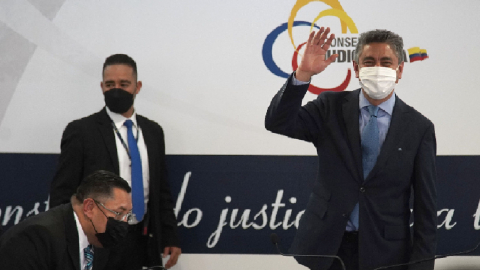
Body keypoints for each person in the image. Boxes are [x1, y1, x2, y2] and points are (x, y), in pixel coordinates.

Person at [265, 27, 437, 270]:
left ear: (399, 70)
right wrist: (303, 74)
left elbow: (425, 207)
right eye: (369, 61)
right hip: (327, 247)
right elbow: (277, 122)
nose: (377, 68)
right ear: (356, 68)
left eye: (386, 62)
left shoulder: (419, 128)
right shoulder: (329, 107)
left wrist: (421, 265)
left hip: (386, 252)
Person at [50, 54, 181, 270]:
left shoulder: (153, 132)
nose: (116, 89)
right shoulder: (81, 131)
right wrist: (66, 241)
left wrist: (170, 235)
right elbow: (62, 192)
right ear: (102, 86)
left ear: (137, 87)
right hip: (97, 240)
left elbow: (161, 191)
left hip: (142, 239)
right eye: (110, 84)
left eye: (124, 84)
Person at [0, 170, 133, 270]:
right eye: (119, 213)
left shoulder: (104, 239)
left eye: (128, 215)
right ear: (89, 207)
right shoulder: (37, 238)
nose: (124, 222)